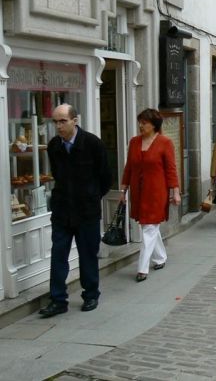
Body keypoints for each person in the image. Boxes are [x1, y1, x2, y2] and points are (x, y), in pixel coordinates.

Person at [39, 104, 112, 318]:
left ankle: (91, 295)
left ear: (75, 120)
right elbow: (57, 175)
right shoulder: (54, 146)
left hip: (86, 212)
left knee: (87, 255)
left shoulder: (92, 144)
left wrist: (90, 196)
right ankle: (58, 299)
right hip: (62, 211)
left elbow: (106, 177)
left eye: (63, 121)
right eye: (55, 121)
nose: (58, 126)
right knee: (58, 255)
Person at [120, 109, 181, 283]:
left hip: (156, 192)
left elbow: (171, 169)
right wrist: (123, 190)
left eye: (144, 123)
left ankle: (142, 268)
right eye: (140, 122)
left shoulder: (165, 142)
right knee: (150, 228)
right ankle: (160, 257)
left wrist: (175, 191)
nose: (141, 125)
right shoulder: (134, 142)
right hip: (138, 193)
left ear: (154, 125)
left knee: (148, 228)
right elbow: (129, 168)